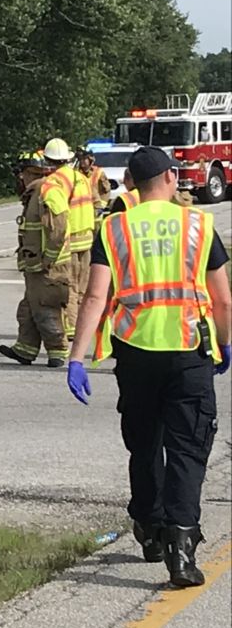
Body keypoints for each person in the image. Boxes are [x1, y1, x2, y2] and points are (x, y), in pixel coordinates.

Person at [68, 146, 231, 588]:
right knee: (187, 449)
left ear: (132, 186)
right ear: (171, 178)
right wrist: (224, 341)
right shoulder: (198, 224)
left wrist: (77, 356)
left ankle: (149, 526)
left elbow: (95, 297)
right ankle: (181, 546)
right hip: (187, 352)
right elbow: (223, 298)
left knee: (144, 444)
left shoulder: (115, 227)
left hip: (135, 353)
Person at [0, 154, 70, 367]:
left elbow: (59, 227)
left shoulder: (48, 191)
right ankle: (25, 349)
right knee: (29, 307)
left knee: (45, 307)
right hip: (36, 263)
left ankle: (57, 351)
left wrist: (48, 258)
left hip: (47, 266)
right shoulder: (36, 192)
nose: (20, 178)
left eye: (22, 173)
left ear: (30, 173)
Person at [40, 138, 94, 339]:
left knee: (69, 286)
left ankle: (71, 328)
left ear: (47, 159)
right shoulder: (81, 177)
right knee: (82, 287)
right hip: (87, 239)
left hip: (70, 240)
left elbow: (58, 217)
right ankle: (82, 322)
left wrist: (50, 253)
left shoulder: (55, 182)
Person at [76, 149, 111, 225]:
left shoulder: (98, 172)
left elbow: (106, 191)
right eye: (80, 159)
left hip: (96, 212)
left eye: (84, 159)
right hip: (82, 210)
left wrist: (101, 206)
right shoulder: (76, 173)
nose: (82, 161)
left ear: (90, 159)